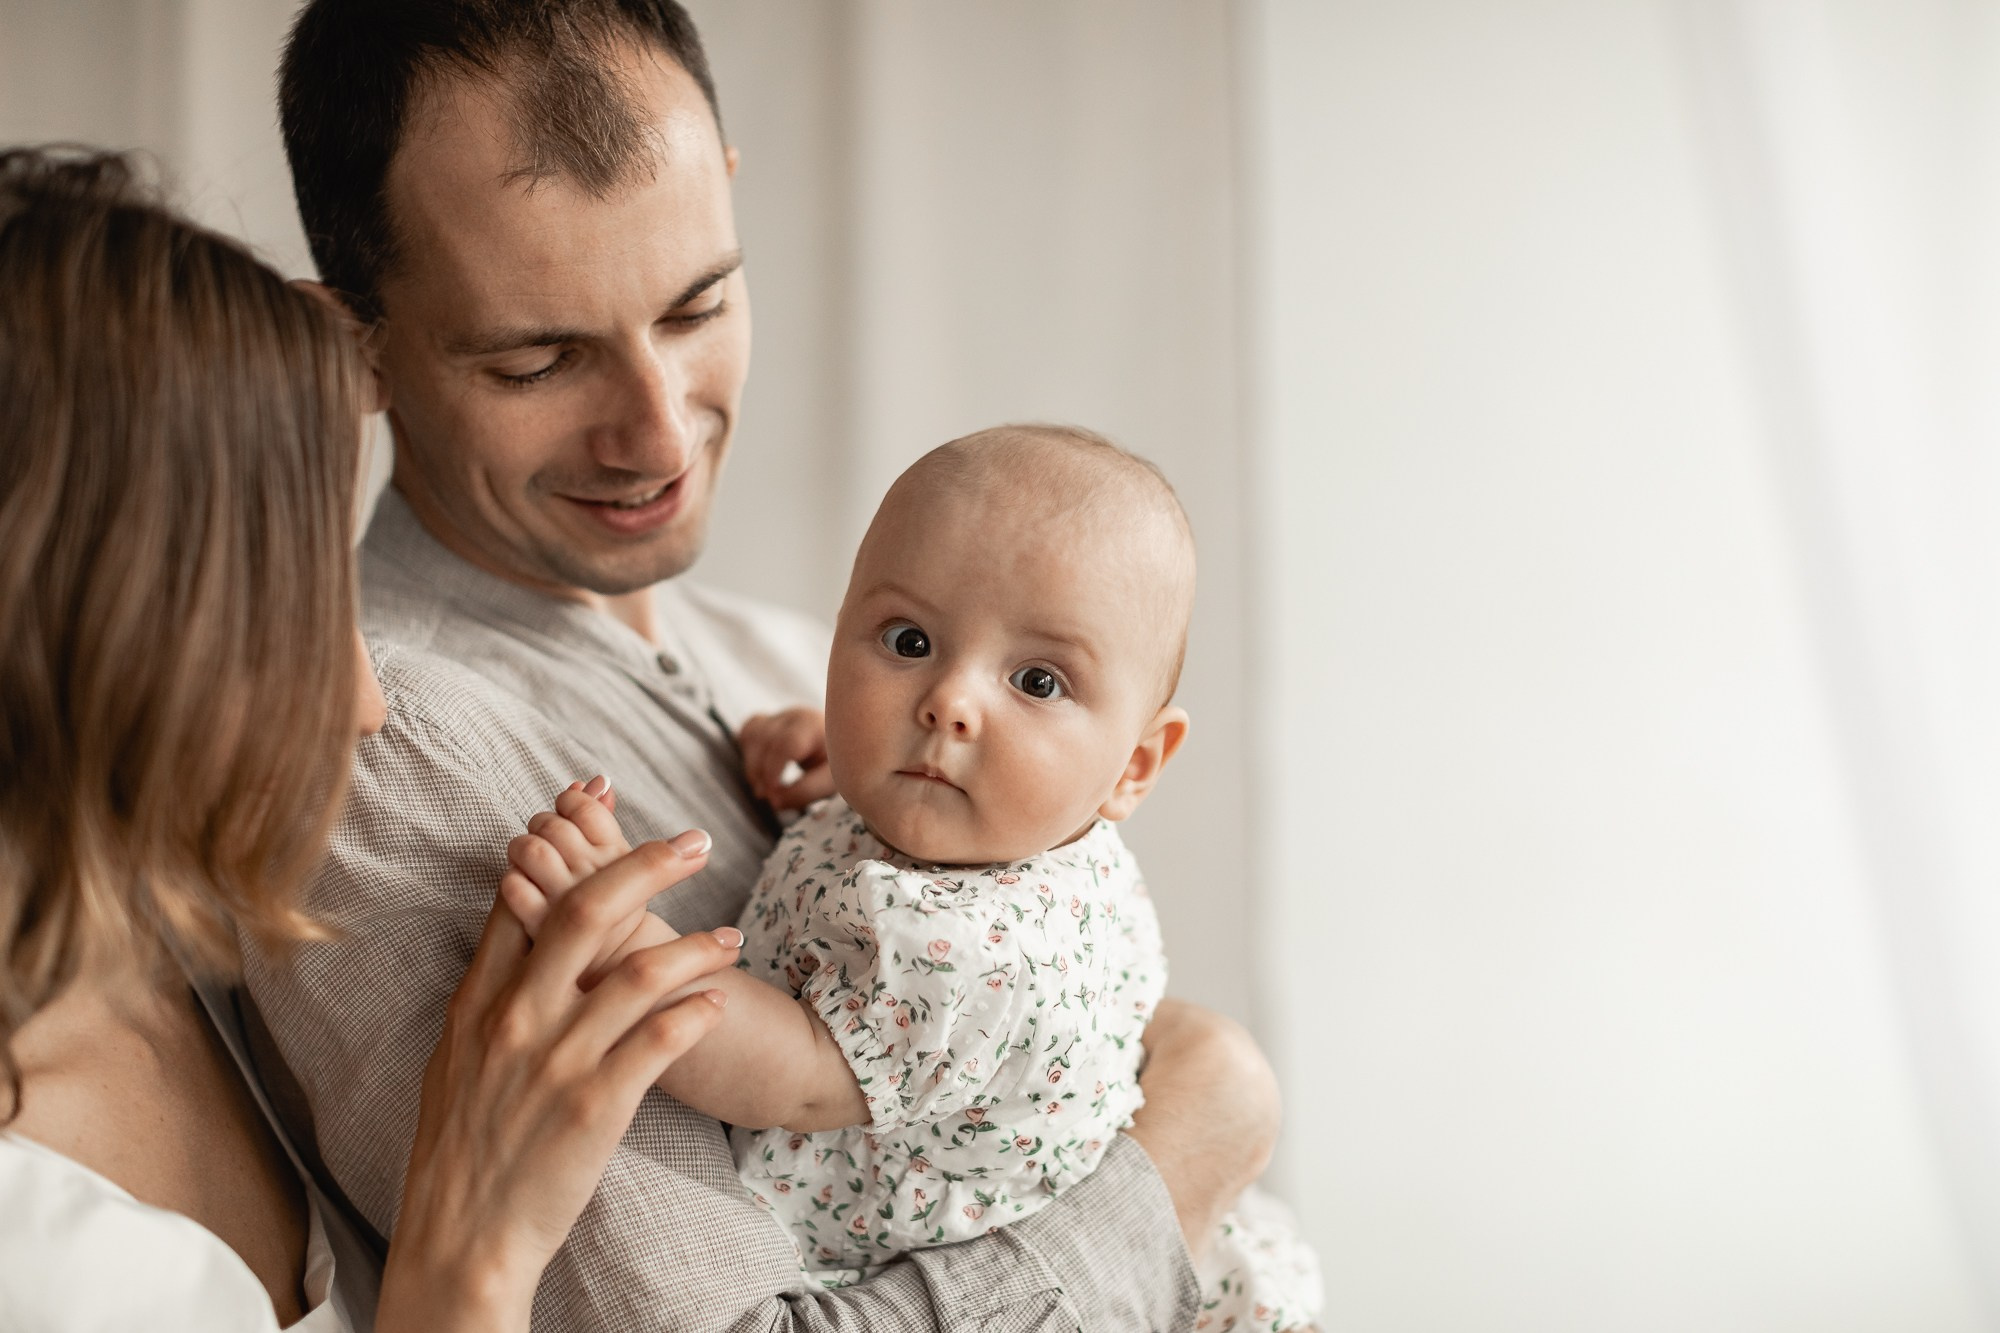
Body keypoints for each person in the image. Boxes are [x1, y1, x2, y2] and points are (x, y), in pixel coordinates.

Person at [241, 2, 1283, 1326]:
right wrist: (1183, 1152)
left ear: (726, 198)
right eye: (537, 358)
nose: (660, 436)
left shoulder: (803, 662)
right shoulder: (388, 757)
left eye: (699, 302)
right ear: (355, 346)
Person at [0, 147, 745, 1331]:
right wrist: (475, 1262)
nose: (364, 701)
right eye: (297, 606)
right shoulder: (38, 1251)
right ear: (102, 624)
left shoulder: (164, 952)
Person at [505, 425, 1326, 1330]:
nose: (950, 700)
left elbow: (788, 1067)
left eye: (1039, 682)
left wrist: (626, 942)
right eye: (907, 639)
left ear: (1135, 764)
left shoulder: (974, 948)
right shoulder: (996, 835)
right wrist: (851, 772)